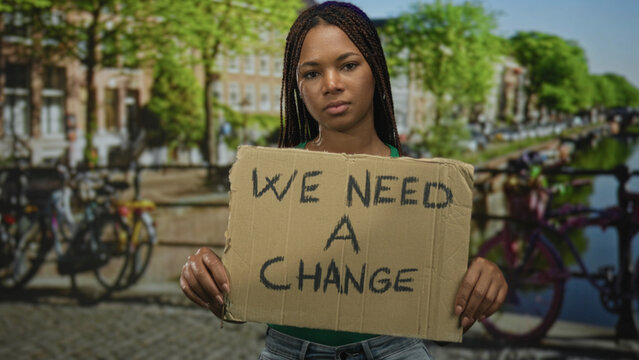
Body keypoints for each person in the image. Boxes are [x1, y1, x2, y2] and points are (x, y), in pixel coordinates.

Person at [180, 2, 507, 359]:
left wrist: (484, 280)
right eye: (311, 73)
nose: (331, 84)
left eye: (348, 65)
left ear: (376, 70)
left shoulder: (422, 188)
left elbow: (442, 301)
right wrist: (205, 275)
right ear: (297, 87)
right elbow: (249, 289)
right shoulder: (273, 181)